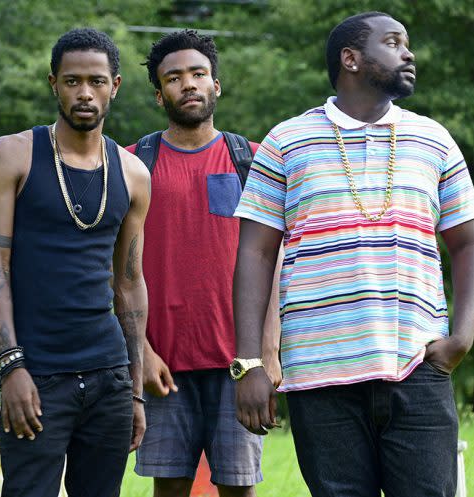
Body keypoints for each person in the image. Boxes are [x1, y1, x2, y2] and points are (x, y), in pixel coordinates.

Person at [231, 11, 474, 497]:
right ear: (350, 59)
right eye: (393, 43)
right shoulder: (285, 142)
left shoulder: (433, 139)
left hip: (417, 368)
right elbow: (254, 255)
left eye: (406, 43)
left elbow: (471, 242)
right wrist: (249, 363)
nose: (408, 53)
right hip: (319, 375)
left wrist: (462, 337)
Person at [0, 28, 151, 497]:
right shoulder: (13, 155)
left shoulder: (133, 174)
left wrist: (134, 390)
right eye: (72, 81)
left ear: (115, 85)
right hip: (36, 374)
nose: (84, 93)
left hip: (109, 377)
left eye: (96, 81)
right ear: (53, 83)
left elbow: (130, 283)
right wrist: (12, 366)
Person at [126, 30, 281, 497]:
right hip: (164, 367)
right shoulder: (134, 164)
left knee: (239, 488)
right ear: (159, 95)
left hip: (239, 363)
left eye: (198, 74)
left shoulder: (251, 161)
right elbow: (118, 271)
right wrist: (142, 354)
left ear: (217, 85)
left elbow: (274, 264)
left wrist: (268, 352)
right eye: (174, 78)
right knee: (170, 490)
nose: (188, 84)